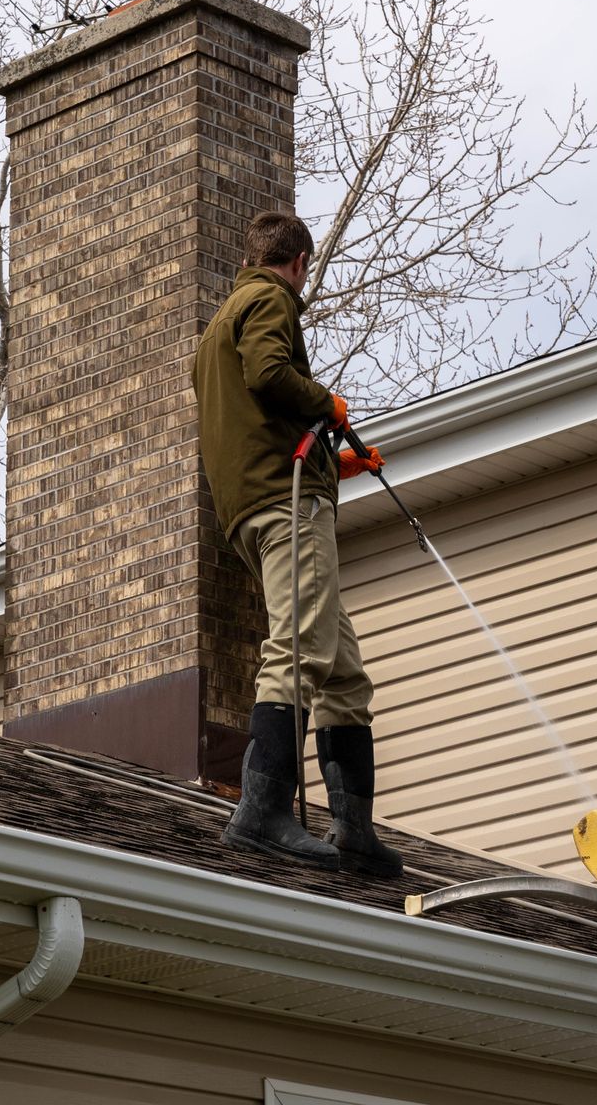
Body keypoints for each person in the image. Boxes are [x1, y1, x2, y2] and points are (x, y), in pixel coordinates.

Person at [192, 211, 404, 877]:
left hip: (255, 505)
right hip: (286, 511)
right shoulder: (268, 300)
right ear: (301, 262)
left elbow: (256, 422)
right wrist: (328, 404)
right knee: (301, 645)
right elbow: (269, 375)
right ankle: (261, 811)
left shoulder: (213, 332)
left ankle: (354, 832)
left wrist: (334, 463)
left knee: (340, 665)